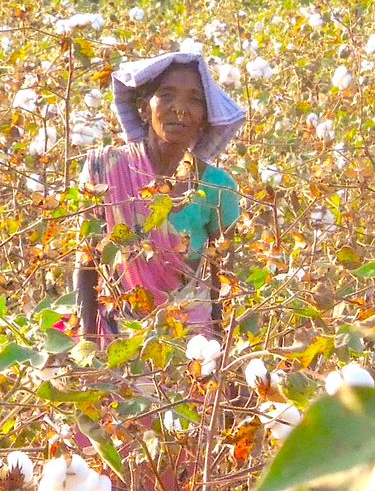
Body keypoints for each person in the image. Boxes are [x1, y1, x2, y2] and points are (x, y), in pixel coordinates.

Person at [74, 51, 246, 343]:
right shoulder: (105, 170)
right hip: (117, 340)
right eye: (166, 95)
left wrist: (223, 361)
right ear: (144, 108)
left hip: (189, 347)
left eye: (194, 100)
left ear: (205, 118)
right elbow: (86, 263)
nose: (180, 109)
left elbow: (225, 283)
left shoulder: (218, 187)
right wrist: (87, 342)